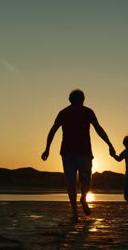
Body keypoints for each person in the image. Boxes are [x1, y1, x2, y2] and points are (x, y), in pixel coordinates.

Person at [41, 89, 116, 221]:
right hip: (76, 153)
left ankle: (76, 209)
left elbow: (52, 131)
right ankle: (80, 203)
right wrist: (109, 145)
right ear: (82, 99)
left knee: (73, 183)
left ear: (71, 99)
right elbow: (98, 129)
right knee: (83, 180)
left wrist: (47, 149)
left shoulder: (78, 112)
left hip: (74, 152)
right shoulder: (75, 112)